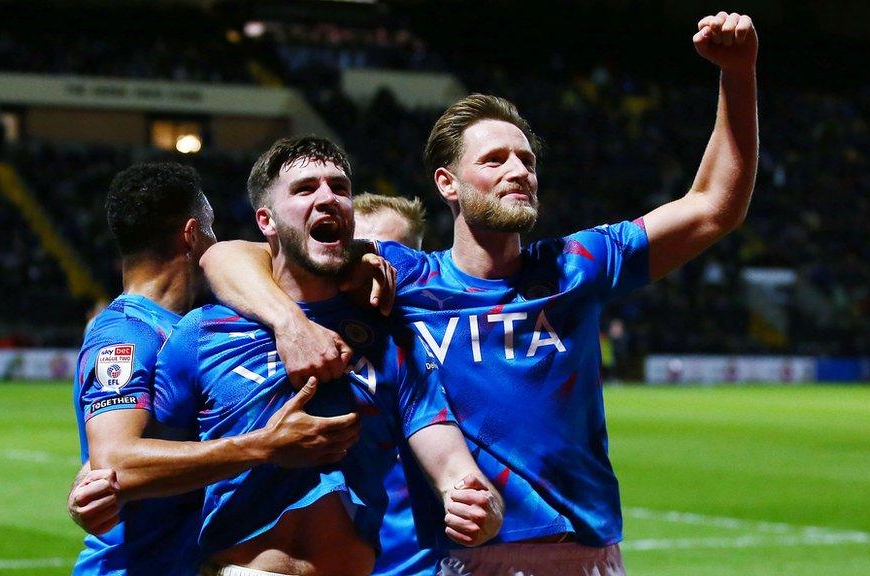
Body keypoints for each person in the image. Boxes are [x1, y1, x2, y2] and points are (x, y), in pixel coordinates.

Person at [199, 12, 759, 575]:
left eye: (527, 161)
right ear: (449, 184)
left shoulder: (577, 265)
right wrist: (287, 321)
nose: (518, 171)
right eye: (494, 160)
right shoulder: (403, 276)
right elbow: (229, 254)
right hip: (470, 559)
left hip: (585, 558)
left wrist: (738, 74)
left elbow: (715, 205)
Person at [151, 136, 503, 576]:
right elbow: (150, 463)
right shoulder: (203, 333)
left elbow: (444, 451)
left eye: (339, 187)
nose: (328, 198)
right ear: (267, 220)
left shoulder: (391, 337)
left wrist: (471, 498)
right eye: (305, 189)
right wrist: (258, 448)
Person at [70, 162, 361, 576]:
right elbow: (115, 460)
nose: (218, 241)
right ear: (192, 234)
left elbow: (263, 253)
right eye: (211, 229)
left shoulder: (198, 322)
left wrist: (361, 257)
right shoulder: (125, 336)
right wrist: (263, 445)